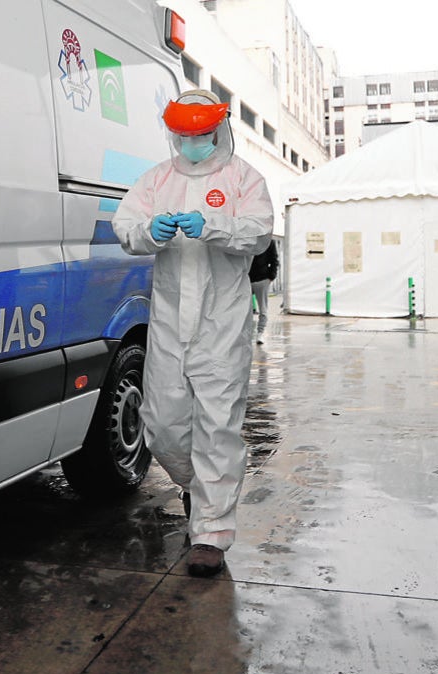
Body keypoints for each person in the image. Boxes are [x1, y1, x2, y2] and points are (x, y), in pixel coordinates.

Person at [112, 89, 274, 578]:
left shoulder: (245, 178)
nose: (192, 144)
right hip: (168, 324)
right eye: (183, 136)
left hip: (221, 325)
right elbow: (125, 223)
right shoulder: (157, 179)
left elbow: (259, 232)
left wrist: (214, 226)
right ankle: (197, 486)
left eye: (200, 135)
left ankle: (211, 534)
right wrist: (149, 232)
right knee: (160, 422)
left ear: (219, 130)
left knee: (217, 427)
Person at [248, 239, 279, 344]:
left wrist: (271, 276)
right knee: (244, 309)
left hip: (262, 279)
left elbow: (274, 260)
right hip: (246, 279)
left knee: (263, 308)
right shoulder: (247, 239)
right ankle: (246, 333)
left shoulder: (269, 242)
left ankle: (260, 333)